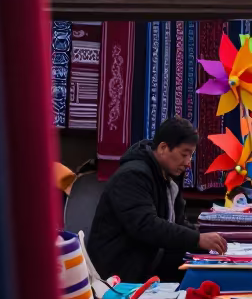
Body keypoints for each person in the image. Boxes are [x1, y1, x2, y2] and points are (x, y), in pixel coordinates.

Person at [87, 117, 228, 281]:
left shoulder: (166, 175)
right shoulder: (132, 176)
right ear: (163, 148)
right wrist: (197, 239)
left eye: (190, 156)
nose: (188, 163)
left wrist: (207, 239)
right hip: (119, 271)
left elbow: (177, 222)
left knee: (207, 270)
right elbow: (146, 225)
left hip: (148, 260)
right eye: (184, 155)